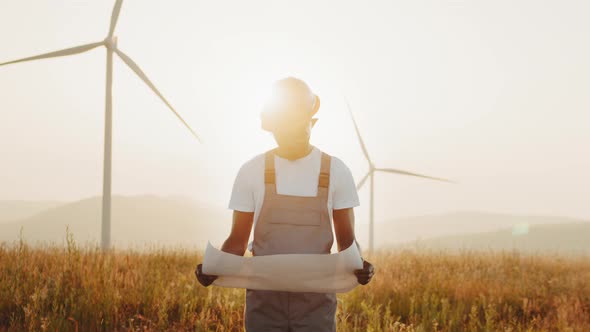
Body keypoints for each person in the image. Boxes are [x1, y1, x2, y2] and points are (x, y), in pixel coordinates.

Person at [195, 77, 375, 331]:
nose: (291, 136)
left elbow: (347, 243)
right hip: (264, 305)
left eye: (297, 128)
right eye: (284, 130)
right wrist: (213, 268)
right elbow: (237, 241)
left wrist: (361, 266)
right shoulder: (251, 171)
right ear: (273, 128)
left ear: (311, 123)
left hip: (316, 306)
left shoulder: (336, 171)